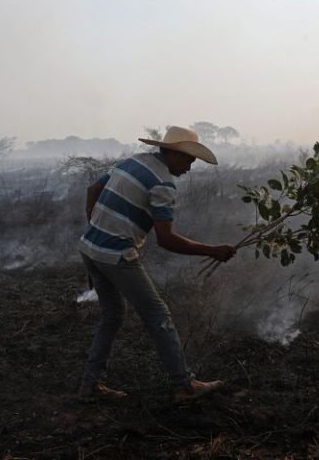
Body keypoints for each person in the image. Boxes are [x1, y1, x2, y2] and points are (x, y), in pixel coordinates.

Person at [78, 126, 236, 403]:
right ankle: (184, 385)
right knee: (159, 317)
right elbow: (167, 240)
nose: (189, 167)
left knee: (112, 316)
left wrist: (96, 227)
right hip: (116, 255)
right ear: (173, 153)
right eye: (187, 160)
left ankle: (90, 384)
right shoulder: (163, 183)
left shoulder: (133, 160)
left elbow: (93, 189)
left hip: (90, 248)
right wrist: (213, 251)